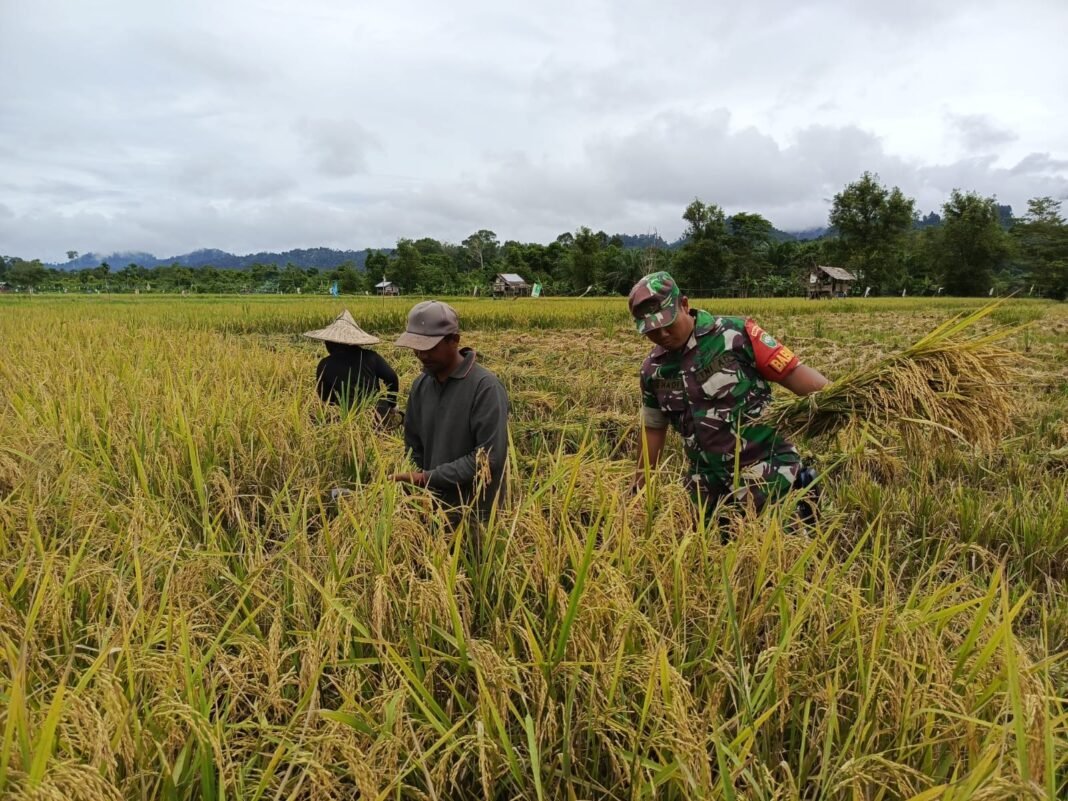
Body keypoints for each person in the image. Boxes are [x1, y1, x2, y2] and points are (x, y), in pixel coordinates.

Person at [628, 271, 829, 519]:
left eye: (667, 323)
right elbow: (652, 429)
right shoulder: (653, 371)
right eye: (652, 330)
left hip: (770, 479)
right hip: (707, 495)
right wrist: (639, 488)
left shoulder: (735, 335)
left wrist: (847, 396)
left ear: (684, 304)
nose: (662, 335)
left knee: (790, 554)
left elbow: (793, 374)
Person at [390, 300, 509, 520]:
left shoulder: (485, 388)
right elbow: (414, 445)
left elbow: (487, 459)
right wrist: (417, 483)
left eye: (429, 348)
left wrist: (426, 478)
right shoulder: (421, 385)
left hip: (474, 513)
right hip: (430, 509)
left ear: (454, 341)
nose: (421, 355)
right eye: (417, 347)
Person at [304, 309, 399, 419]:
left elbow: (325, 398)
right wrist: (392, 404)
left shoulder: (325, 364)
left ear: (330, 343)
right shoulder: (371, 357)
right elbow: (392, 378)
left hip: (343, 416)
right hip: (375, 413)